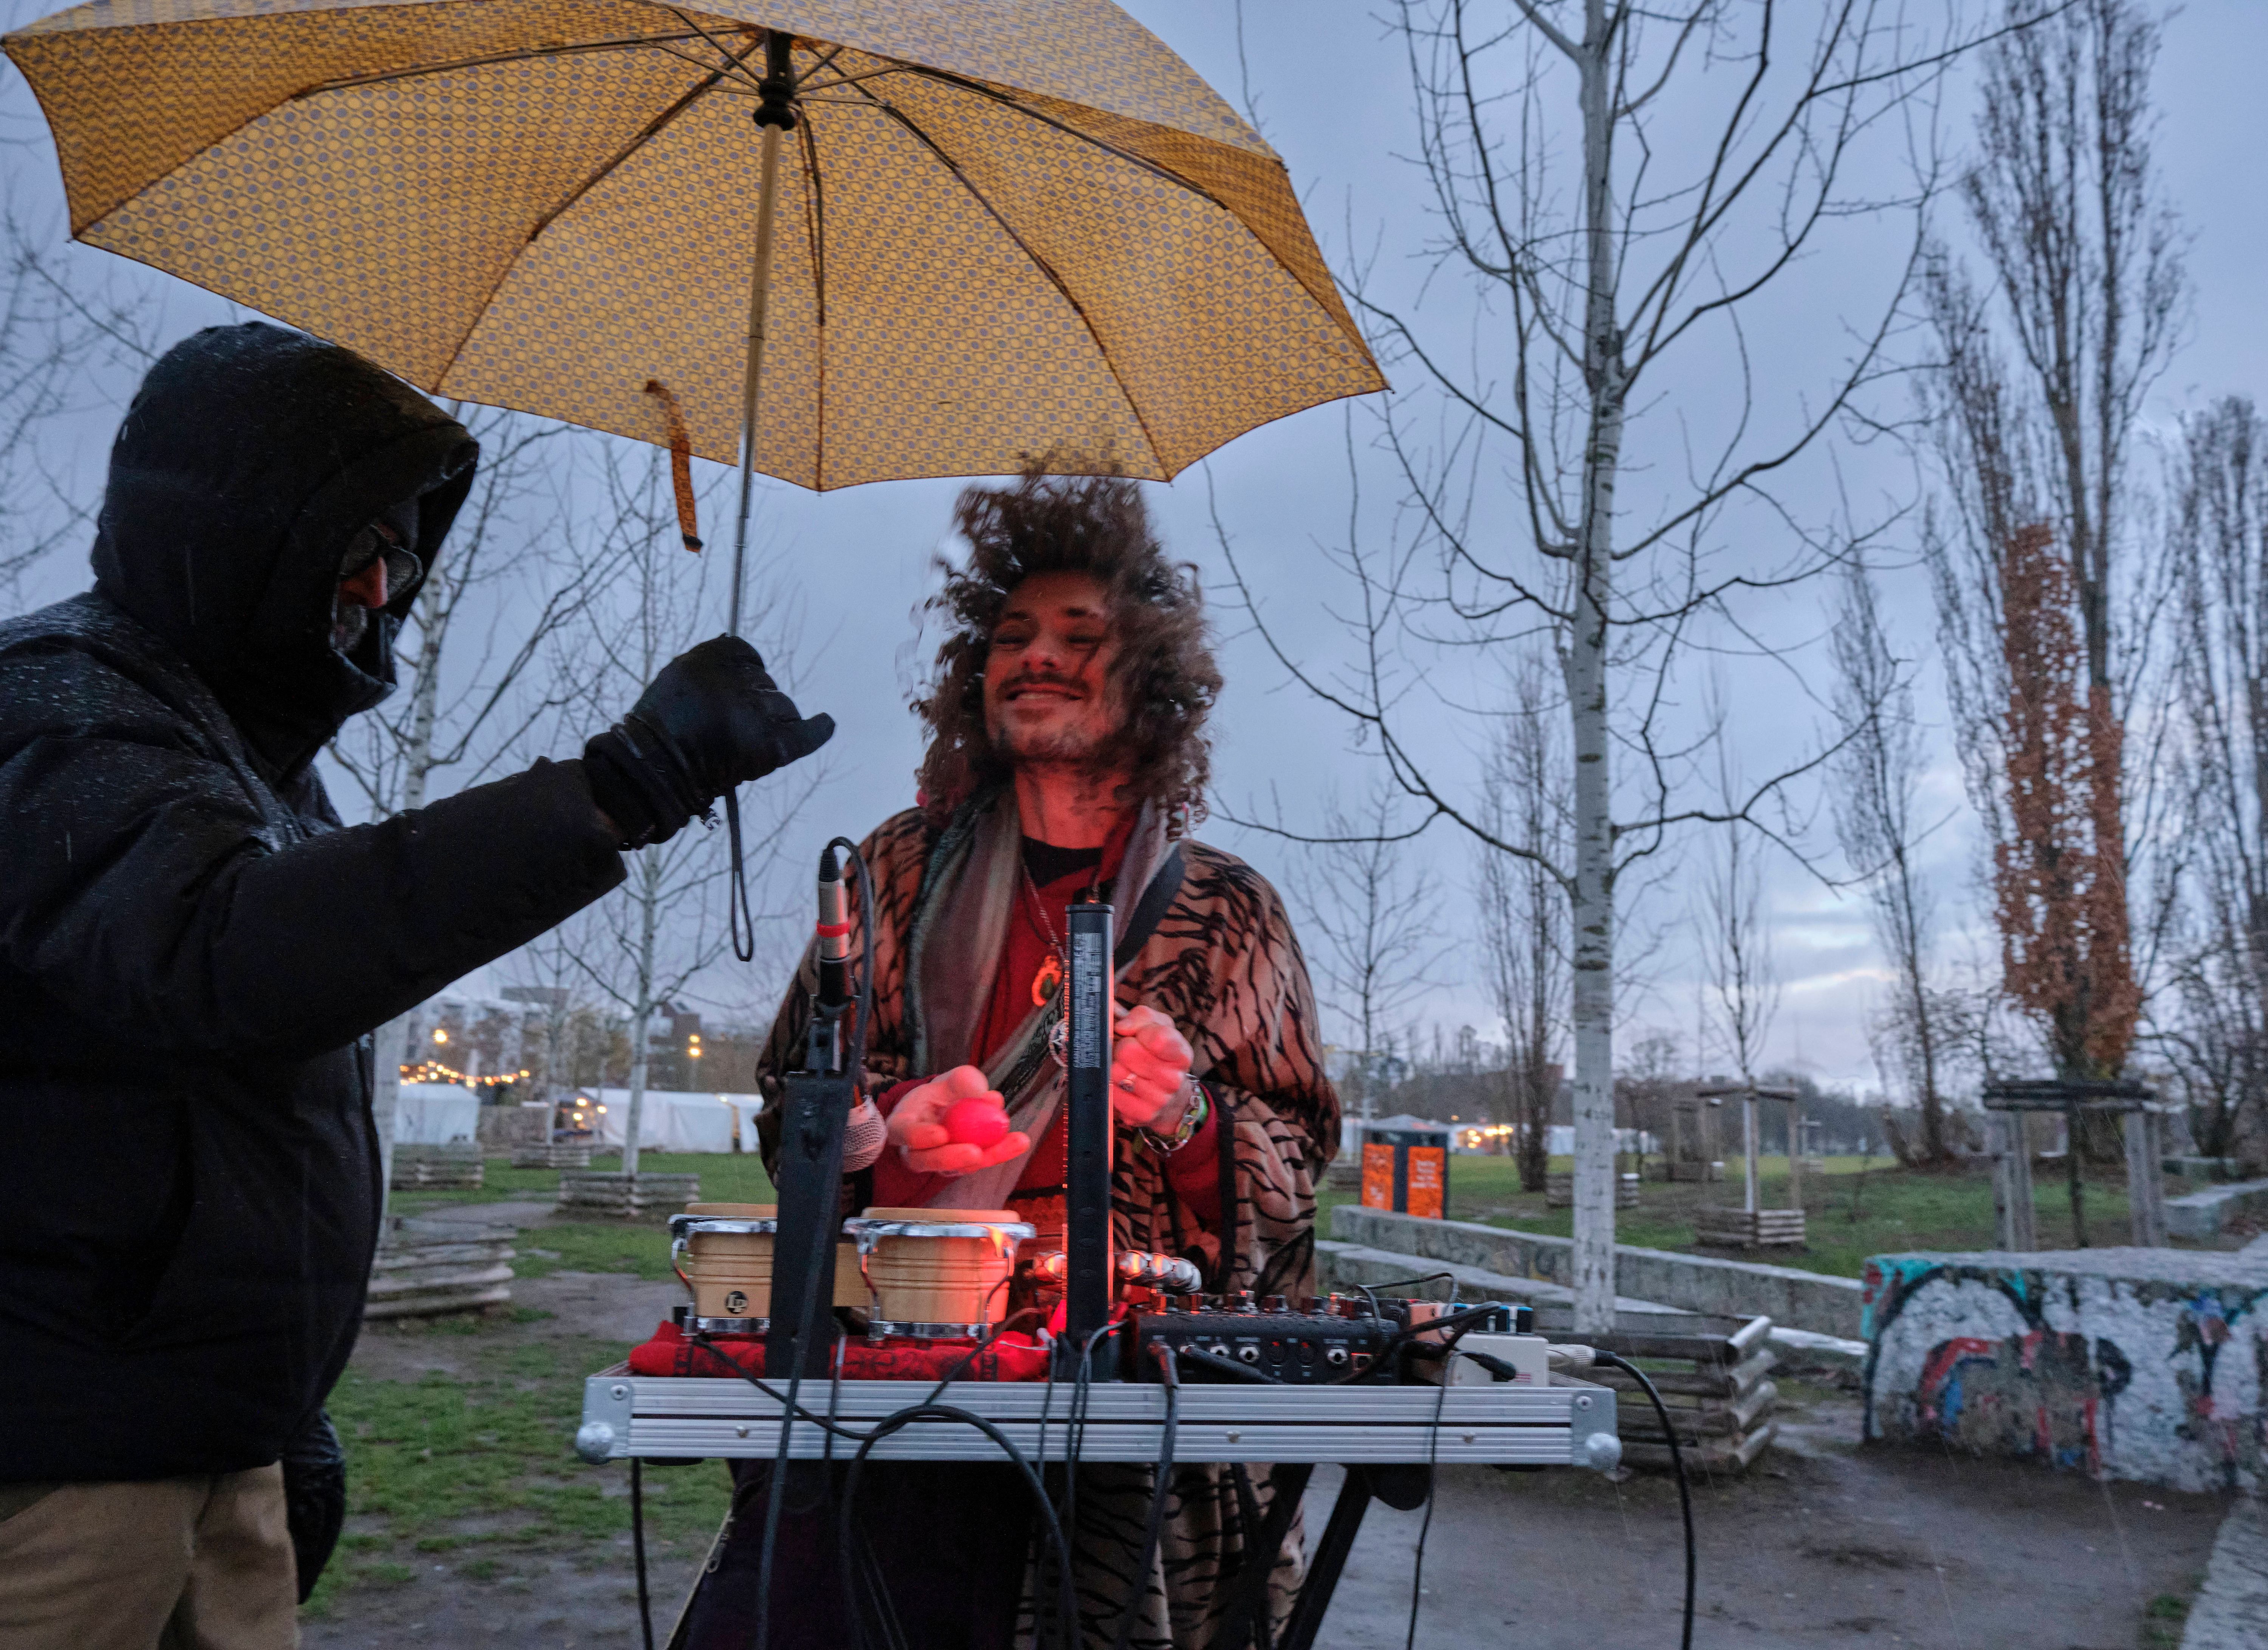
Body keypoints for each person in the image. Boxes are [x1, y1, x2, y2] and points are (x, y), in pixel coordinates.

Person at [0, 322, 832, 1647]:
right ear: (237, 527)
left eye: (400, 555)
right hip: (65, 1476)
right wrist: (623, 787)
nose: (382, 593)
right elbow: (221, 956)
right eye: (354, 549)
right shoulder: (57, 710)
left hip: (208, 1442)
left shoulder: (239, 759)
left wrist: (267, 1407)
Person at [683, 472, 1339, 1650]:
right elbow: (795, 1110)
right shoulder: (888, 869)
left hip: (1138, 1435)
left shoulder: (1231, 912)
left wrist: (1189, 1120)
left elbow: (1293, 1182)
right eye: (1011, 636)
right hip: (897, 1399)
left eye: (1081, 638)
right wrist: (880, 1127)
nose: (1036, 657)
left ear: (1154, 684)